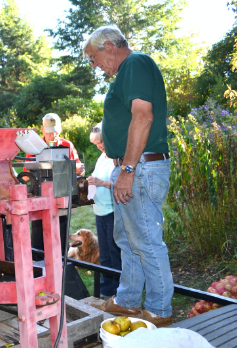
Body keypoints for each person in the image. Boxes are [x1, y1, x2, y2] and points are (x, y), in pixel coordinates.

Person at [83, 26, 173, 327]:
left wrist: (128, 169)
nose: (94, 66)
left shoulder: (134, 63)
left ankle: (160, 310)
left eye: (94, 58)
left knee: (146, 240)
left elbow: (143, 115)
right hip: (133, 166)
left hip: (141, 167)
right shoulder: (125, 73)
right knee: (127, 239)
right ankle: (128, 301)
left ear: (109, 46)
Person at [28, 113, 85, 254]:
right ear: (42, 129)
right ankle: (39, 266)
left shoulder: (67, 145)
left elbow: (78, 169)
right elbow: (27, 175)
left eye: (56, 132)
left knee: (61, 234)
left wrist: (79, 169)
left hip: (61, 196)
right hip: (40, 197)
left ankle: (62, 265)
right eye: (50, 132)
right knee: (38, 237)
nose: (53, 136)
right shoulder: (33, 147)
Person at [87, 122, 121, 300]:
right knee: (105, 253)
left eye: (101, 143)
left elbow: (120, 184)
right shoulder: (102, 157)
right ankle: (107, 288)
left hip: (112, 211)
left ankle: (118, 289)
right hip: (99, 210)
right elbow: (97, 177)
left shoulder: (118, 156)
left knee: (115, 253)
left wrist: (100, 183)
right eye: (97, 145)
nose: (100, 147)